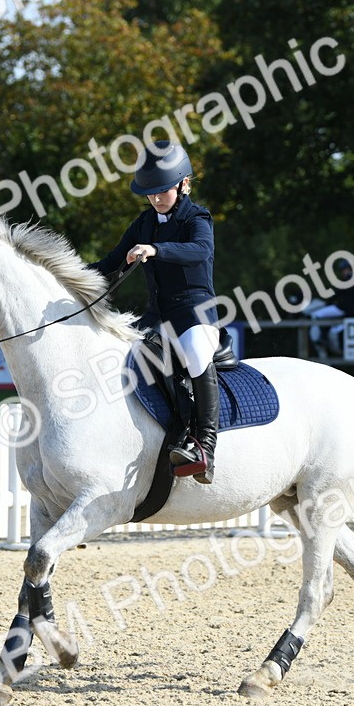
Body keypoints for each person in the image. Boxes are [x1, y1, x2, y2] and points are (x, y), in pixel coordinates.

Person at [90, 141, 221, 484]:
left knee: (195, 355)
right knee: (124, 356)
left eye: (163, 190)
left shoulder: (197, 217)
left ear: (184, 184)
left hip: (195, 313)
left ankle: (205, 445)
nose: (157, 198)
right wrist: (62, 278)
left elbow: (199, 250)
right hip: (157, 316)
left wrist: (156, 249)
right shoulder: (142, 223)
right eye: (151, 192)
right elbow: (109, 264)